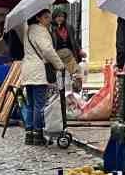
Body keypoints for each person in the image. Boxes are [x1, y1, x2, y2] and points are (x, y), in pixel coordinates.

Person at [20, 10, 66, 145]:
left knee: (31, 104)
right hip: (38, 71)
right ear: (38, 18)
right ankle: (38, 135)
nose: (48, 20)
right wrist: (59, 64)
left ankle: (29, 135)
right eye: (46, 18)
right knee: (39, 104)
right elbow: (47, 50)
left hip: (28, 70)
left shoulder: (28, 30)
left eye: (49, 18)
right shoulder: (40, 30)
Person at [50, 10, 84, 74]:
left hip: (69, 55)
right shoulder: (51, 28)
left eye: (62, 16)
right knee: (61, 74)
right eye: (58, 16)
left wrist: (80, 50)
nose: (60, 18)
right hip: (58, 55)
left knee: (76, 72)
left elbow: (74, 41)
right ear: (54, 18)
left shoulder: (69, 27)